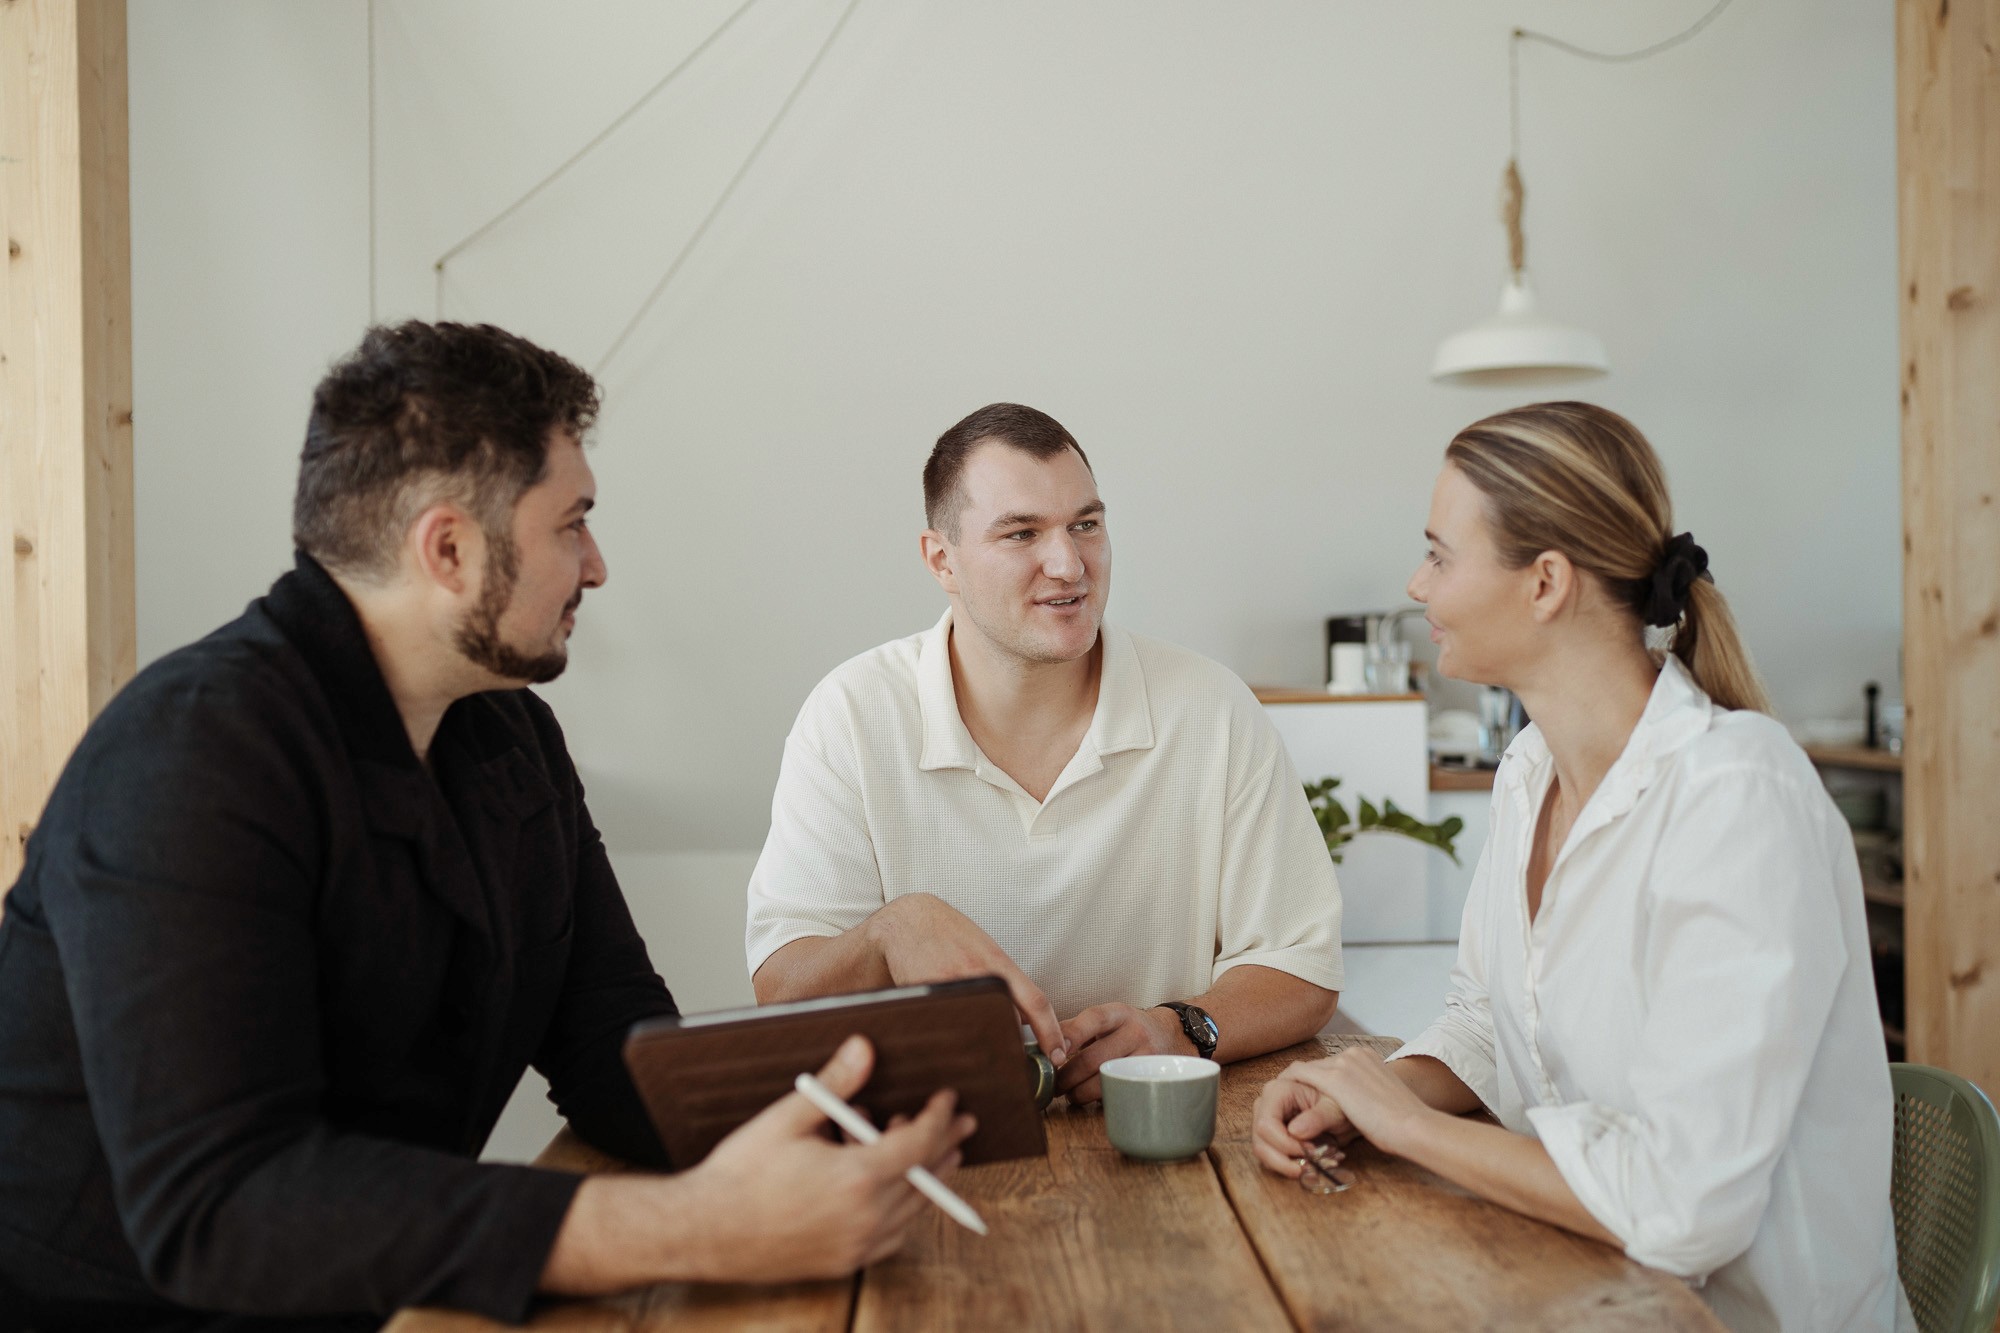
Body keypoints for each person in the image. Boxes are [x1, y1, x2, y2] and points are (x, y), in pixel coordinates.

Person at [0, 321, 973, 1331]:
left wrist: (908, 1092)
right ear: (450, 547)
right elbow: (219, 1206)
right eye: (571, 523)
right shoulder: (188, 754)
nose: (595, 566)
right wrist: (690, 1225)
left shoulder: (510, 736)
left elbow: (623, 1053)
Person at [1251, 402, 1911, 1332]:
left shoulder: (1737, 800)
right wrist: (1363, 1091)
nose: (1416, 583)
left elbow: (1681, 1206)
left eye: (1440, 554)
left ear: (1546, 582)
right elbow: (1489, 1021)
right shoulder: (1529, 774)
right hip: (1577, 1290)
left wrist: (1413, 1128)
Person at [745, 403, 1344, 1104]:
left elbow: (1302, 963)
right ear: (942, 560)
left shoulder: (1212, 707)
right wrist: (890, 931)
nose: (1068, 564)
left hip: (1160, 1136)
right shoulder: (849, 715)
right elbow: (781, 988)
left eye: (1085, 524)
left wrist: (1181, 1029)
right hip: (932, 1146)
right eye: (1022, 532)